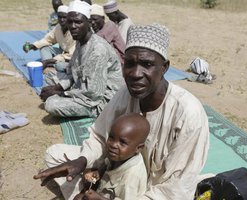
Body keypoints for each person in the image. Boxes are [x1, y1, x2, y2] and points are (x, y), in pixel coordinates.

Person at [34, 23, 210, 200]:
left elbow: (176, 188)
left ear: (164, 67)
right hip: (120, 173)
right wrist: (83, 161)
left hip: (158, 192)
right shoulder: (125, 94)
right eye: (130, 64)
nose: (135, 74)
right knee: (54, 154)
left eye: (147, 64)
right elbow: (99, 137)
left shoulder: (188, 113)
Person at [39, 0, 124, 118]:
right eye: (70, 22)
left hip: (103, 99)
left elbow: (94, 93)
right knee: (49, 77)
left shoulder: (98, 50)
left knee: (51, 104)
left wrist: (60, 93)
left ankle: (95, 112)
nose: (73, 26)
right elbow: (72, 71)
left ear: (88, 23)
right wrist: (57, 87)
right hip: (83, 85)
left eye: (78, 22)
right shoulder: (80, 41)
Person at [74, 113, 149, 200]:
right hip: (104, 192)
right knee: (79, 197)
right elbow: (106, 165)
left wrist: (99, 199)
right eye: (111, 137)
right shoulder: (119, 155)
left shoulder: (132, 177)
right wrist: (97, 174)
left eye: (122, 142)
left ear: (138, 148)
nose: (113, 145)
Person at [23, 5, 76, 73]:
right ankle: (49, 67)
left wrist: (49, 61)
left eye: (64, 17)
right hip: (62, 52)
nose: (62, 20)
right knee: (44, 47)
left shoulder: (74, 30)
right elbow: (47, 40)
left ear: (69, 18)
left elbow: (71, 55)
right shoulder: (58, 27)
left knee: (59, 66)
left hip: (72, 58)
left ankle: (49, 64)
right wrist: (32, 46)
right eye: (60, 17)